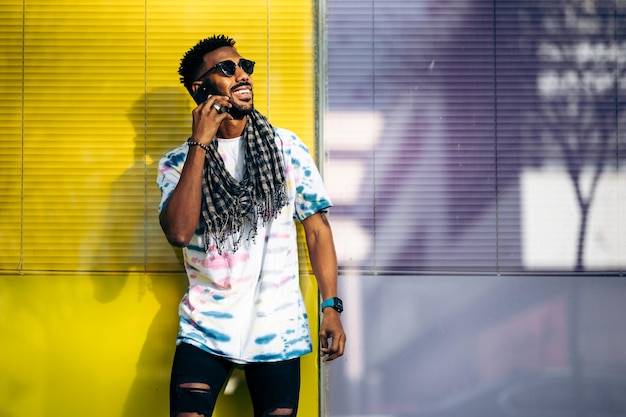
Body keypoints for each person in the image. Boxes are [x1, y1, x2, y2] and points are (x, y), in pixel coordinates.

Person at [157, 34, 346, 417]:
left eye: (246, 66)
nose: (243, 75)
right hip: (206, 325)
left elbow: (317, 229)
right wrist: (200, 144)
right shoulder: (177, 162)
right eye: (228, 69)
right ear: (202, 88)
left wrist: (331, 306)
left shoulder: (285, 148)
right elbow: (178, 232)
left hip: (277, 324)